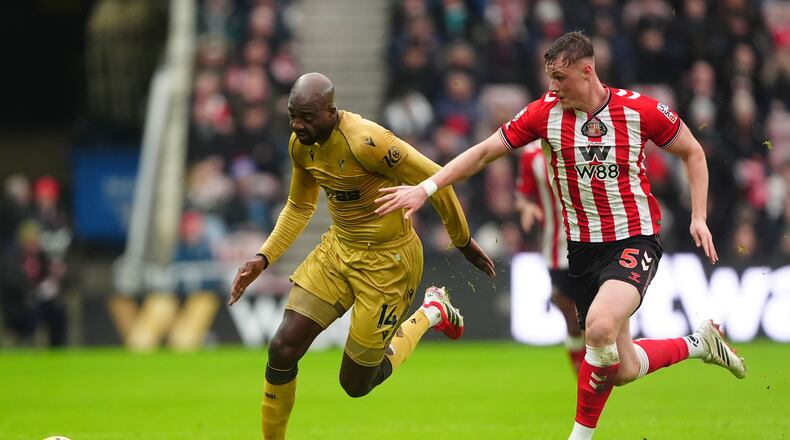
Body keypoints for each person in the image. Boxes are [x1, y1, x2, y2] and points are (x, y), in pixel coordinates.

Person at [375, 31, 746, 440]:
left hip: (634, 239)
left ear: (587, 72)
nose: (552, 86)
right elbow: (482, 153)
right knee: (620, 368)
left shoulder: (639, 110)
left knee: (601, 328)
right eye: (549, 77)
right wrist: (426, 188)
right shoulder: (543, 114)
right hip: (583, 252)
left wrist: (698, 215)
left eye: (560, 78)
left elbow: (692, 151)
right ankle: (700, 343)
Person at [229, 72, 495, 439]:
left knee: (355, 383)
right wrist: (263, 258)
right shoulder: (299, 143)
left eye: (306, 116)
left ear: (330, 112)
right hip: (338, 251)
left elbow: (436, 179)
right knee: (282, 347)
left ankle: (432, 311)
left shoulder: (368, 142)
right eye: (293, 115)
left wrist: (462, 241)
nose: (297, 124)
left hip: (389, 264)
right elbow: (299, 205)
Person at [515, 141, 584, 374]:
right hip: (556, 248)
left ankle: (599, 372)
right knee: (572, 319)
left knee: (595, 318)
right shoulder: (532, 154)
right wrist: (526, 207)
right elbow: (523, 194)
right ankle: (584, 380)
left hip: (595, 243)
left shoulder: (588, 140)